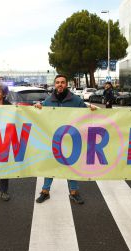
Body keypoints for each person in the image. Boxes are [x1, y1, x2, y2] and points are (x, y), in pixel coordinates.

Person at [34, 74, 96, 205]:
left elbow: (85, 114)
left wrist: (91, 109)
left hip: (70, 140)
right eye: (57, 82)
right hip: (54, 139)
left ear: (66, 84)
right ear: (54, 84)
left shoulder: (75, 100)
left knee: (70, 165)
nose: (60, 84)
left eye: (62, 82)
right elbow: (41, 116)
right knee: (50, 164)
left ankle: (74, 192)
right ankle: (45, 191)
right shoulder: (48, 100)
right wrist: (39, 108)